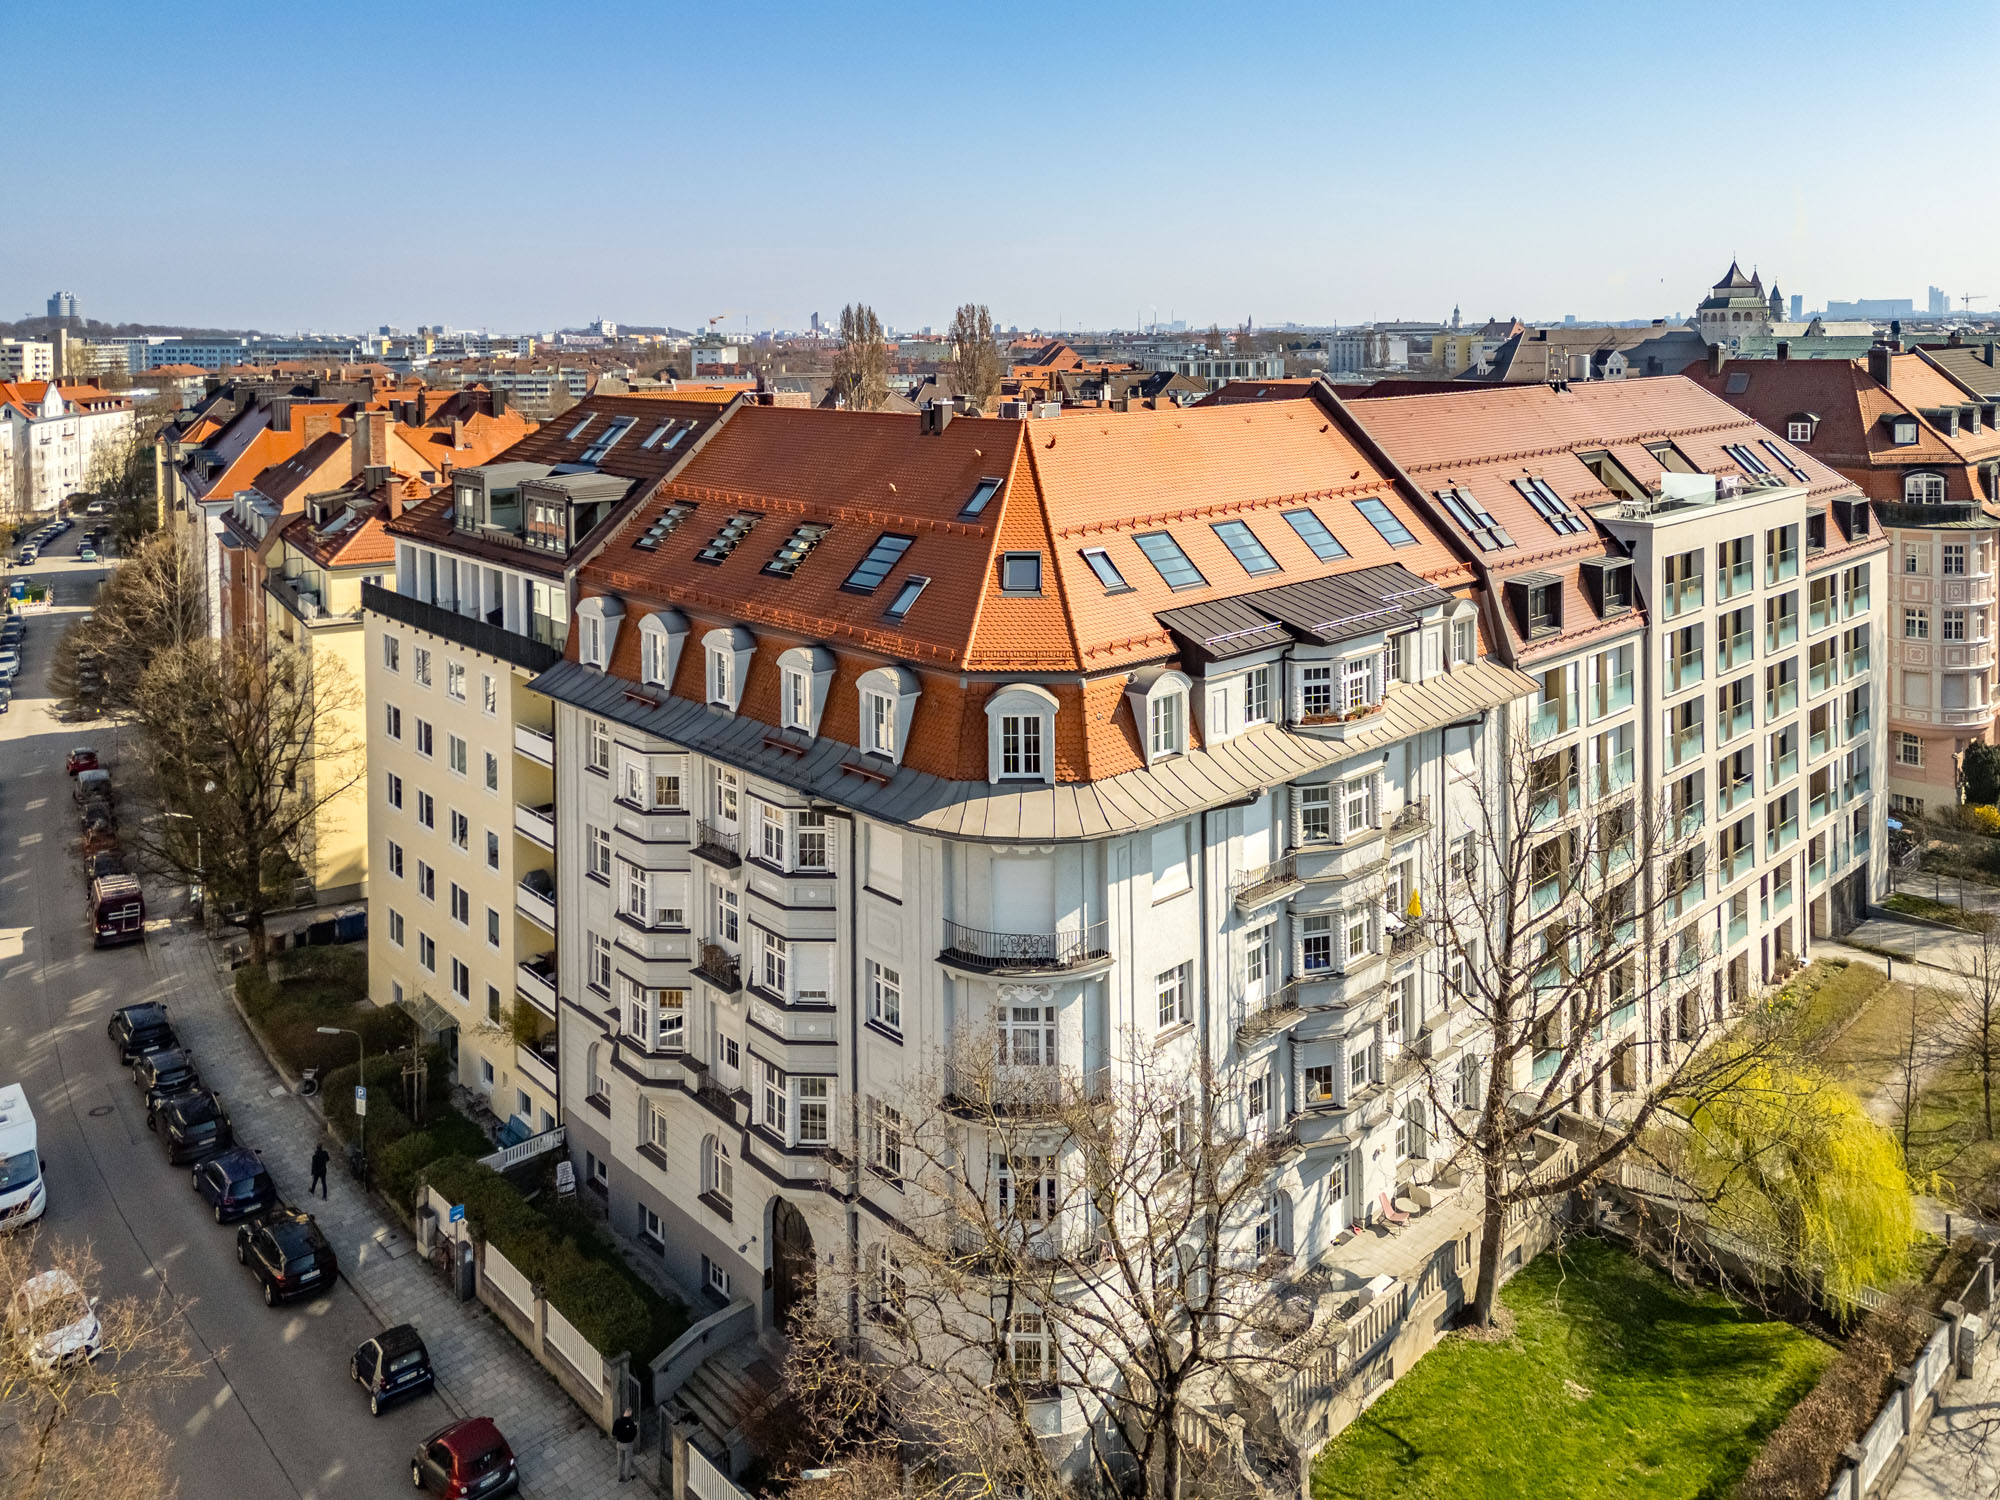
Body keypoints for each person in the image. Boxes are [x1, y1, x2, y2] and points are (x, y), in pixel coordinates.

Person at [612, 1408, 638, 1482]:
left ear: (624, 1413)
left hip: (619, 1444)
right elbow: (634, 1434)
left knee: (620, 1459)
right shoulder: (631, 1423)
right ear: (630, 1415)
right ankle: (627, 1478)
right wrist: (635, 1427)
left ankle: (619, 1477)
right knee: (627, 1461)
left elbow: (613, 1433)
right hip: (628, 1445)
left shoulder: (617, 1421)